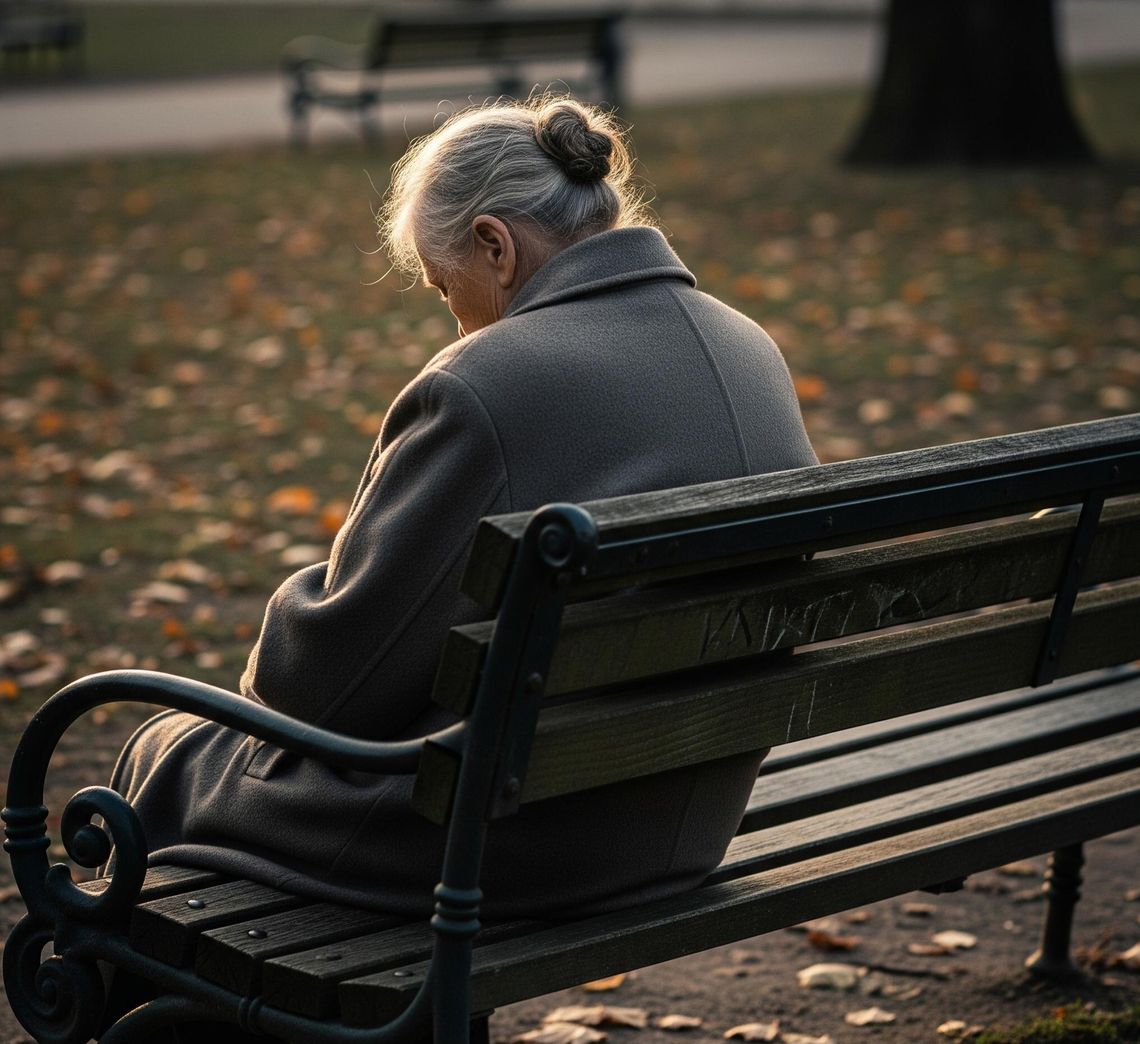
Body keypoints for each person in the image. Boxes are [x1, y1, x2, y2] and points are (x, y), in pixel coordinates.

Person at [111, 96, 818, 921]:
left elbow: (318, 692)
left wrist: (311, 591)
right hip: (686, 821)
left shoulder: (485, 384)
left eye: (446, 287)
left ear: (496, 245)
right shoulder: (748, 348)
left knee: (165, 752)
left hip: (508, 838)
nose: (452, 316)